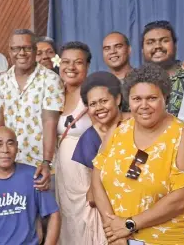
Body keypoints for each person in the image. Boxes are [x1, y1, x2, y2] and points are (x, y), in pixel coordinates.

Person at [92, 64, 184, 244]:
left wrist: (129, 224)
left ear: (165, 98)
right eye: (137, 98)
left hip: (170, 238)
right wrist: (113, 230)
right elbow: (96, 179)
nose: (144, 105)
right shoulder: (118, 130)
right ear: (129, 100)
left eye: (152, 98)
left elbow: (182, 198)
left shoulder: (183, 136)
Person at [0, 29, 64, 192]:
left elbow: (49, 122)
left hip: (39, 168)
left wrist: (46, 162)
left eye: (27, 48)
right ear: (10, 51)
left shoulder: (51, 80)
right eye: (16, 48)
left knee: (44, 215)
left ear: (35, 50)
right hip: (9, 166)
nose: (21, 53)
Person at [54, 42, 107, 245]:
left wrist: (96, 184)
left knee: (90, 221)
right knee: (68, 223)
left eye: (78, 62)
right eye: (66, 62)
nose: (71, 67)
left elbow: (106, 135)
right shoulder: (55, 94)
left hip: (87, 173)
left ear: (87, 66)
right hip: (64, 175)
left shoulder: (93, 96)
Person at [141, 20, 184, 116]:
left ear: (175, 45)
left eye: (164, 41)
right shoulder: (136, 80)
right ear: (142, 49)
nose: (157, 46)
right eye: (150, 42)